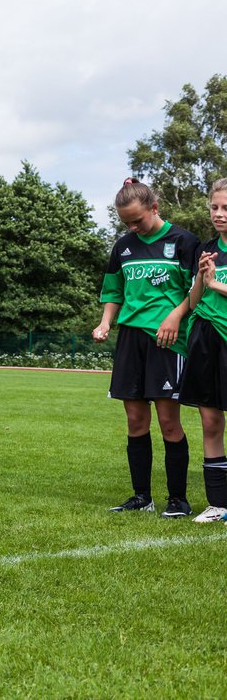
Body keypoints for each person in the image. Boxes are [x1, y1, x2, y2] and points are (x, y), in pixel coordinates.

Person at [93, 178, 197, 517]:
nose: (133, 227)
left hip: (168, 340)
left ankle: (178, 499)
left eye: (138, 220)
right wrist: (107, 321)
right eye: (127, 223)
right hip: (131, 340)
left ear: (155, 207)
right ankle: (141, 497)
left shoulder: (183, 241)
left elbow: (197, 291)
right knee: (135, 419)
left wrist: (175, 317)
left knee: (168, 421)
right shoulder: (123, 246)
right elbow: (113, 292)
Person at [172, 179, 227, 522]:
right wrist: (197, 286)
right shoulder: (206, 249)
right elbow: (196, 298)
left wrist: (216, 283)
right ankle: (219, 504)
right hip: (205, 340)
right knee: (210, 421)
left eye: (226, 209)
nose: (219, 215)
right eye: (215, 207)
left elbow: (213, 288)